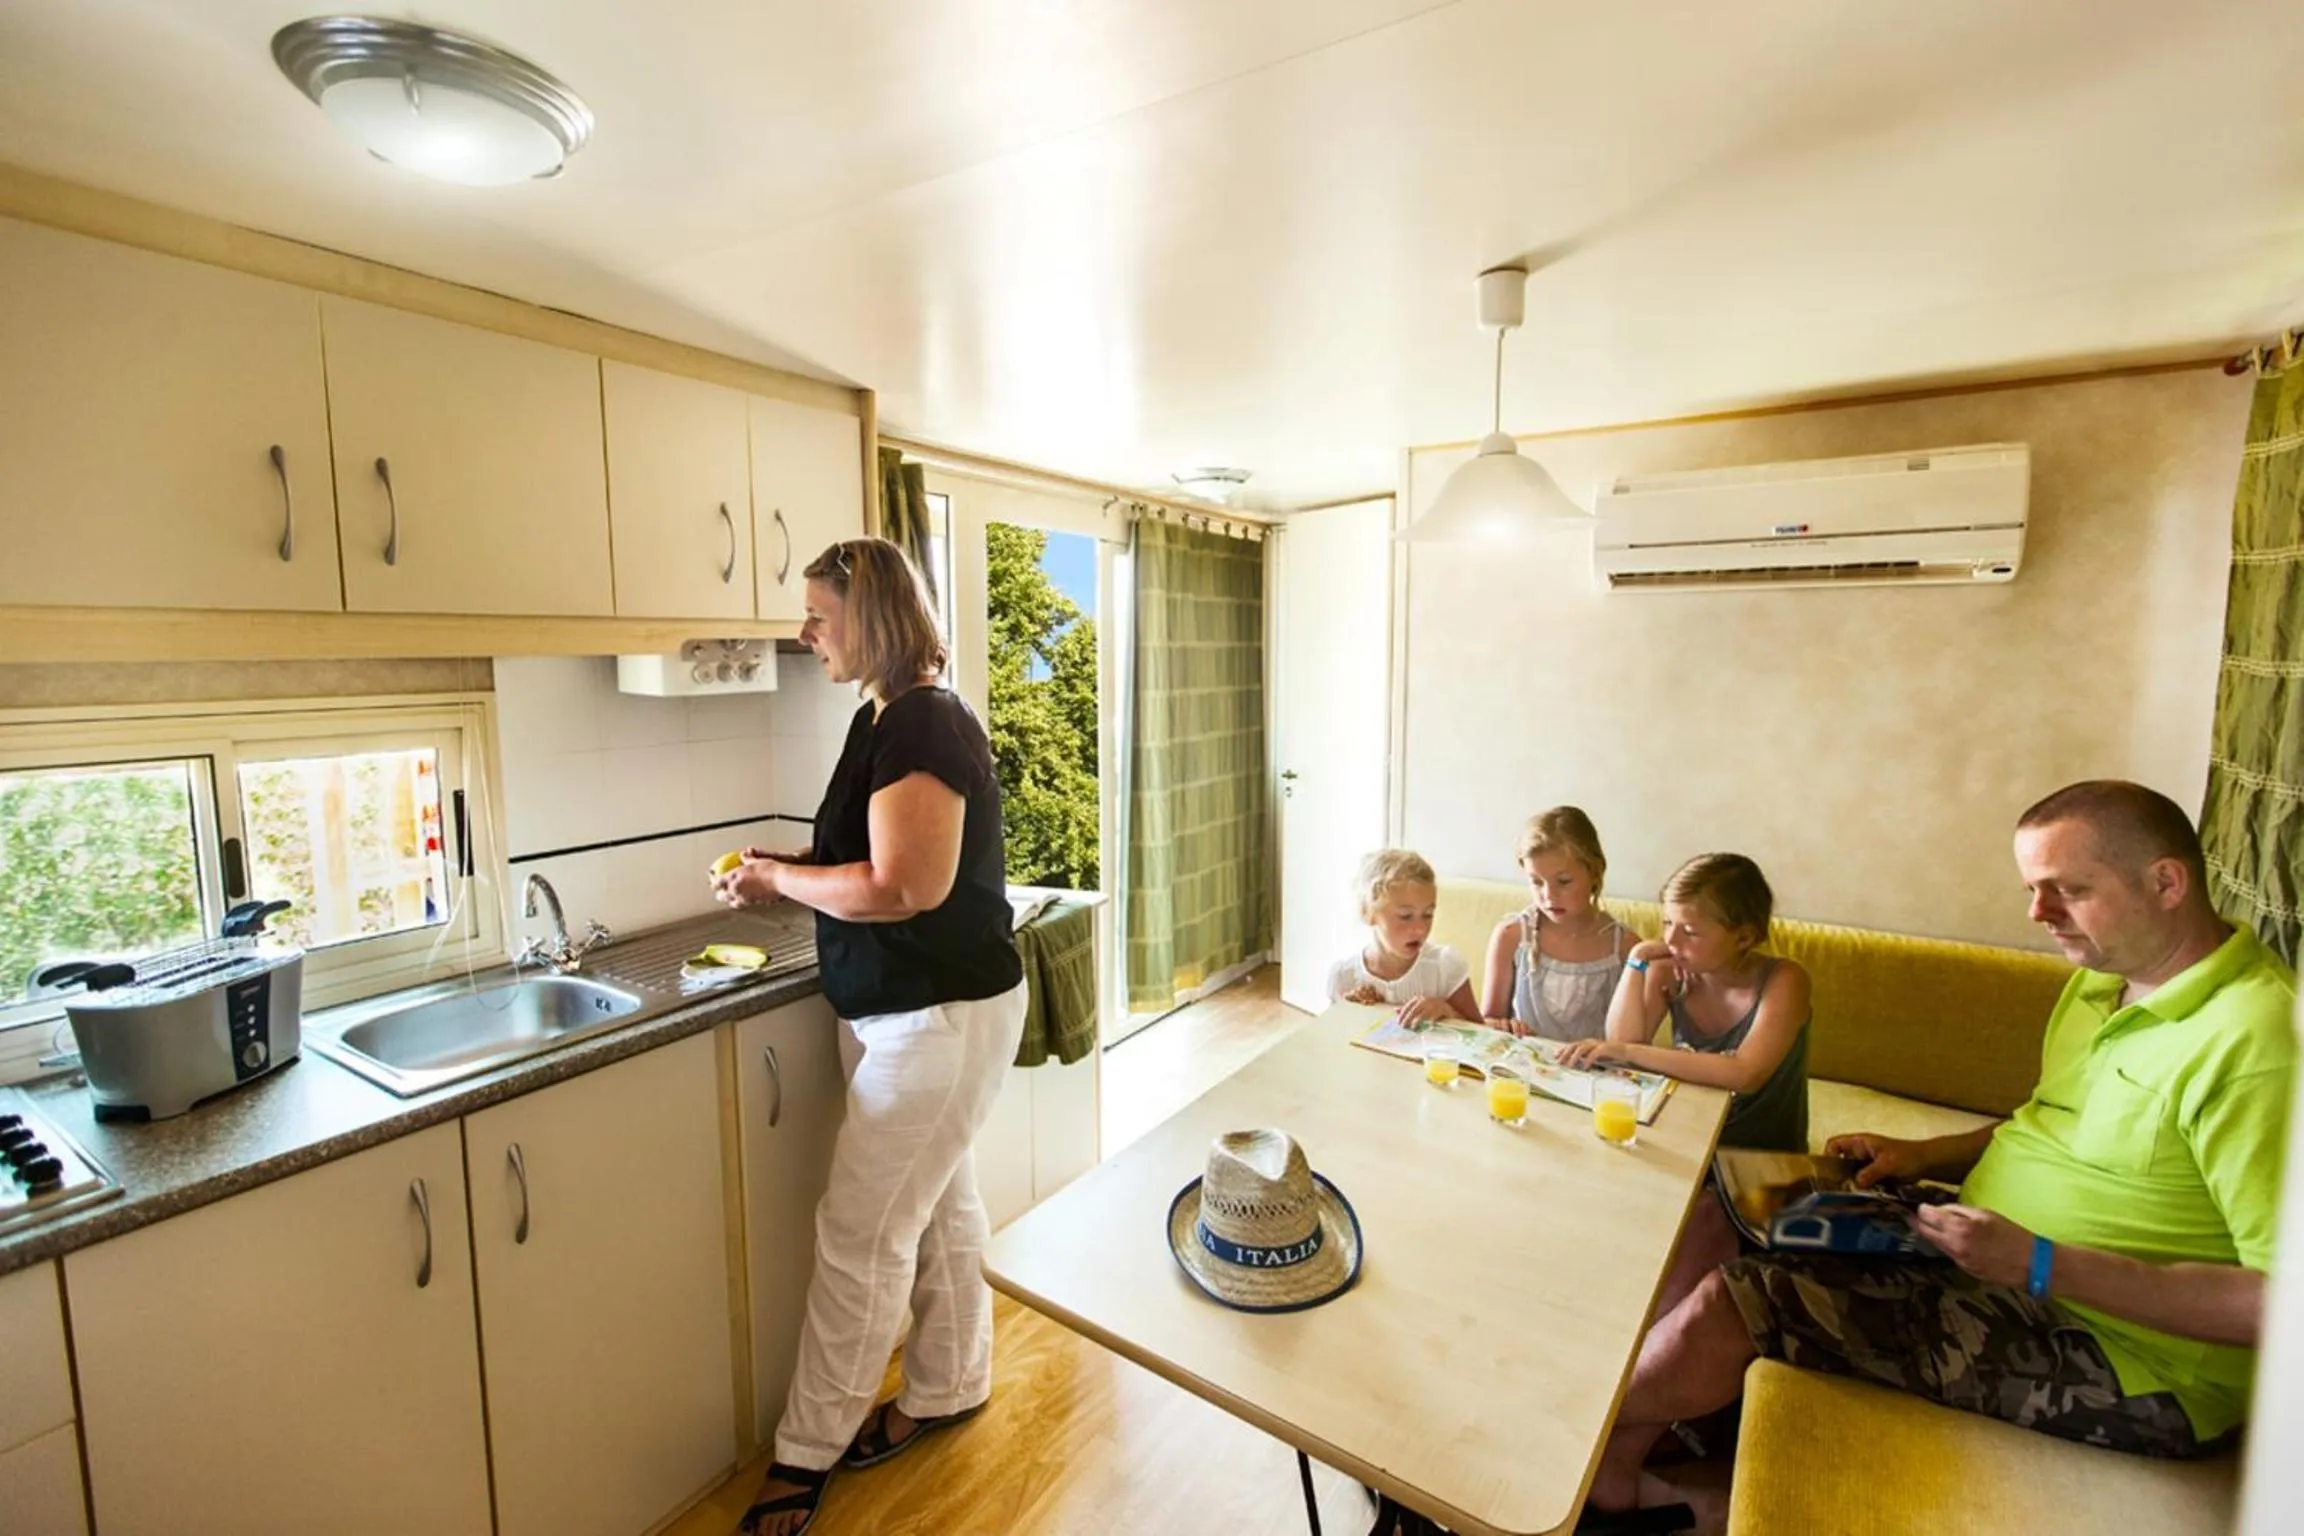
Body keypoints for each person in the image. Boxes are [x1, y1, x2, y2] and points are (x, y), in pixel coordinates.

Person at [1582, 781, 2298, 1523]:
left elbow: (2285, 1305)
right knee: (1738, 1202)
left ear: (2167, 881)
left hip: (2123, 1356)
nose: (2036, 913)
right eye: (2032, 888)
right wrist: (1923, 1156)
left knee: (1741, 1299)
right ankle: (1624, 1466)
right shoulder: (2101, 985)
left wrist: (2045, 1261)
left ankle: (1575, 1439)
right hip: (1986, 1247)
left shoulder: (2259, 1042)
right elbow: (2045, 1124)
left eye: (2067, 890)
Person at [712, 537, 1026, 1536]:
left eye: (819, 615)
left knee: (860, 1238)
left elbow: (903, 888)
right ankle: (948, 1384)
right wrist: (788, 860)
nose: (805, 633)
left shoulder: (925, 724)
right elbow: (867, 854)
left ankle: (805, 1458)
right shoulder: (883, 717)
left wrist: (774, 883)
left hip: (938, 1017)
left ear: (873, 615)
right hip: (909, 1012)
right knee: (938, 1206)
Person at [1559, 852, 1812, 1153]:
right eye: (1667, 923)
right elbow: (1623, 1044)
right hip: (1689, 1139)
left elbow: (1746, 1074)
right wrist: (1636, 961)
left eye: (1690, 932)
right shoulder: (1670, 970)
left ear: (1743, 938)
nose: (1671, 941)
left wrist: (1628, 1050)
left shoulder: (1785, 980)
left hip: (1760, 1156)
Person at [1480, 806, 1635, 1041]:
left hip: (1594, 1074)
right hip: (1521, 1069)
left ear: (1595, 872)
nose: (1549, 895)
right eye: (1536, 882)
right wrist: (1506, 1027)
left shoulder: (1624, 947)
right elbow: (1488, 1021)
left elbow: (1632, 1045)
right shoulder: (1511, 936)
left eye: (1564, 881)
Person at [1327, 848, 1480, 1025]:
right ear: (1368, 913)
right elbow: (1330, 1041)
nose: (1421, 929)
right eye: (1406, 916)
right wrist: (1347, 1012)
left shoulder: (1445, 967)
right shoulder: (1344, 976)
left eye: (1428, 915)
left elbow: (1483, 1033)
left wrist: (1446, 1010)